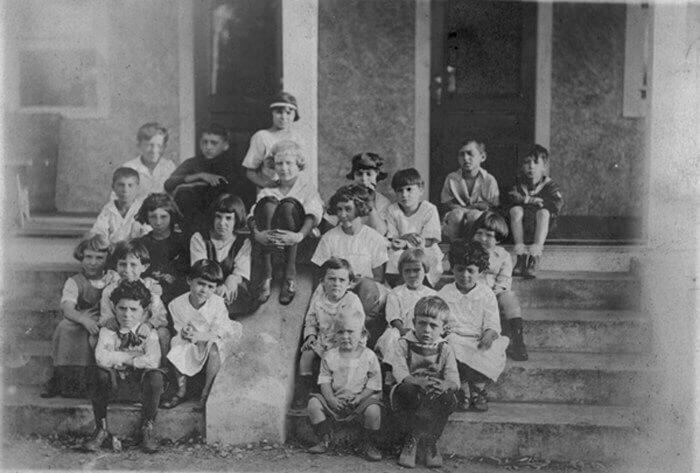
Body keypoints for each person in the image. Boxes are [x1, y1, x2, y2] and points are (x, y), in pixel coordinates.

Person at [83, 280, 164, 453]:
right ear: (114, 307)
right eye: (122, 308)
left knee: (155, 376)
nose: (127, 314)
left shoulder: (149, 333)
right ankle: (101, 428)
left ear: (144, 311)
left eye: (133, 309)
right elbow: (101, 359)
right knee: (98, 373)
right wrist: (131, 357)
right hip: (113, 386)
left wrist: (119, 357)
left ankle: (147, 427)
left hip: (140, 388)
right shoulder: (108, 331)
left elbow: (153, 361)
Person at [385, 295, 460, 469]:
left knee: (448, 397)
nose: (427, 330)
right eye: (422, 323)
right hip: (409, 388)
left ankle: (431, 441)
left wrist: (445, 385)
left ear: (443, 327)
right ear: (413, 322)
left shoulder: (445, 348)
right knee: (409, 393)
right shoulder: (404, 344)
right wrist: (418, 382)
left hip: (433, 391)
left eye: (433, 325)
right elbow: (399, 371)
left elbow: (453, 377)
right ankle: (411, 439)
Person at [41, 235, 120, 398]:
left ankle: (95, 382)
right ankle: (61, 379)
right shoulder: (74, 281)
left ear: (107, 259)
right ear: (81, 257)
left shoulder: (113, 277)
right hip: (83, 317)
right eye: (88, 257)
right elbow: (68, 308)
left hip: (108, 316)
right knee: (65, 328)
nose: (93, 262)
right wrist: (84, 320)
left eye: (99, 258)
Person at [311, 184, 389, 348]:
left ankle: (359, 342)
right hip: (336, 291)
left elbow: (379, 278)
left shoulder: (374, 238)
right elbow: (320, 276)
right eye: (339, 210)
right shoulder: (329, 238)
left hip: (364, 294)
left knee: (368, 288)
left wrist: (357, 282)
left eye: (348, 209)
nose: (343, 215)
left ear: (360, 209)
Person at [248, 140, 323, 305]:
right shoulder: (268, 189)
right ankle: (267, 276)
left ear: (298, 165)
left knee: (288, 205)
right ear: (273, 166)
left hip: (297, 242)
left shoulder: (307, 188)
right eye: (279, 163)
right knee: (267, 204)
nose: (284, 168)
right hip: (270, 241)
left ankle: (289, 278)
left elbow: (314, 214)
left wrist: (298, 236)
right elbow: (252, 215)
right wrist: (258, 234)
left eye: (289, 163)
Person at [438, 240, 509, 412]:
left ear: (481, 271)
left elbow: (492, 322)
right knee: (451, 347)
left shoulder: (486, 294)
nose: (465, 275)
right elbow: (438, 318)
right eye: (460, 269)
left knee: (489, 350)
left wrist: (489, 334)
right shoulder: (445, 292)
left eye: (471, 270)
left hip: (478, 338)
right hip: (454, 336)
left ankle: (478, 388)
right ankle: (463, 390)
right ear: (453, 268)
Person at [163, 259, 242, 412]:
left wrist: (201, 336)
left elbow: (220, 331)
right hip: (193, 339)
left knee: (214, 348)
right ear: (189, 281)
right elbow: (179, 326)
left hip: (213, 337)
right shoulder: (176, 304)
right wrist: (185, 332)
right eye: (200, 283)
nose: (203, 290)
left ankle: (206, 393)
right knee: (176, 342)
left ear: (215, 289)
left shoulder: (217, 303)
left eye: (210, 287)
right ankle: (181, 390)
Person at [306, 311, 383, 461]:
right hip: (336, 399)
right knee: (313, 404)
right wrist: (330, 399)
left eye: (350, 332)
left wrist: (360, 397)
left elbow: (374, 383)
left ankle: (368, 443)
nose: (345, 336)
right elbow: (325, 381)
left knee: (374, 411)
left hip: (359, 401)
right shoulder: (330, 356)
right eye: (340, 332)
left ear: (362, 334)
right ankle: (325, 438)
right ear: (335, 335)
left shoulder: (369, 356)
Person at [164, 123, 255, 235]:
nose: (208, 147)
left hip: (223, 223)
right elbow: (169, 184)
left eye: (214, 143)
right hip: (192, 224)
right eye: (204, 142)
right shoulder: (192, 163)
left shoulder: (234, 167)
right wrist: (200, 175)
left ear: (225, 145)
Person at [297, 258, 365, 405]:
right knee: (306, 354)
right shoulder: (319, 300)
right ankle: (304, 391)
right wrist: (310, 336)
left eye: (342, 280)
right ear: (322, 281)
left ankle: (340, 393)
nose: (336, 284)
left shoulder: (352, 301)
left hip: (345, 341)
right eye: (332, 279)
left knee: (341, 361)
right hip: (322, 341)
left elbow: (357, 326)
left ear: (350, 283)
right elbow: (311, 320)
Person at [99, 241, 170, 368]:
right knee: (97, 338)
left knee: (164, 333)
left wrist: (148, 325)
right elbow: (105, 316)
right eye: (122, 264)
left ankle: (161, 370)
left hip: (144, 333)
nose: (127, 270)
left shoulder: (150, 289)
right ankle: (109, 371)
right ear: (115, 265)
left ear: (144, 267)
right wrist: (111, 321)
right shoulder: (109, 291)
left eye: (133, 265)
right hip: (120, 331)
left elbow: (161, 316)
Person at [470, 211, 528, 361]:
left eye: (488, 235)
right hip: (472, 292)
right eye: (479, 233)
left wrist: (492, 294)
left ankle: (518, 341)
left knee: (510, 297)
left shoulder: (503, 256)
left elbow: (504, 281)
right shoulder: (468, 252)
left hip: (494, 293)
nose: (482, 239)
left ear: (498, 239)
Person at [190, 194, 255, 317]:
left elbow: (242, 270)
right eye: (218, 217)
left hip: (230, 291)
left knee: (238, 293)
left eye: (228, 218)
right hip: (205, 285)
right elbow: (199, 270)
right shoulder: (200, 238)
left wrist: (233, 278)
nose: (222, 223)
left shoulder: (243, 242)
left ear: (236, 220)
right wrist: (218, 285)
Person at [508, 145, 564, 278]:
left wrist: (542, 204)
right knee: (515, 210)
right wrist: (530, 200)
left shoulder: (550, 185)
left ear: (544, 166)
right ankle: (521, 257)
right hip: (522, 226)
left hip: (542, 227)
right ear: (522, 166)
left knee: (543, 213)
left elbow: (557, 203)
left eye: (535, 162)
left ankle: (534, 256)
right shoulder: (518, 184)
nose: (531, 166)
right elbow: (511, 196)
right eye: (527, 162)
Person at [374, 249, 437, 363]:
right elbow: (393, 317)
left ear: (425, 270)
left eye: (416, 270)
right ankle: (391, 369)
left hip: (423, 330)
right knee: (391, 337)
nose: (412, 275)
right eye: (407, 271)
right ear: (401, 272)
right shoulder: (396, 292)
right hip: (400, 329)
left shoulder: (432, 295)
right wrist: (402, 330)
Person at [384, 168, 444, 287]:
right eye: (399, 191)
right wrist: (404, 239)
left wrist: (412, 241)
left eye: (409, 189)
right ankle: (399, 282)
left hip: (424, 247)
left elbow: (430, 239)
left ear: (420, 189)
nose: (404, 195)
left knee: (428, 256)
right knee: (394, 255)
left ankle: (426, 282)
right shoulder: (392, 210)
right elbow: (392, 237)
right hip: (401, 248)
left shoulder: (429, 209)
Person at [242, 91, 305, 190]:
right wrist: (267, 184)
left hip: (294, 191)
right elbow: (250, 172)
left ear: (295, 114)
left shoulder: (297, 138)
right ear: (272, 113)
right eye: (279, 112)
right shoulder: (262, 137)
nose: (284, 117)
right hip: (270, 192)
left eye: (288, 113)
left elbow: (301, 169)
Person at [440, 139, 500, 242]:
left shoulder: (489, 180)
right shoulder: (452, 178)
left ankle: (474, 250)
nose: (466, 158)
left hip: (481, 221)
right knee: (456, 215)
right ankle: (456, 249)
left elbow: (494, 207)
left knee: (475, 215)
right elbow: (446, 204)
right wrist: (467, 209)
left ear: (482, 157)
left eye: (470, 154)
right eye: (461, 155)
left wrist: (475, 209)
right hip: (456, 219)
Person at [135, 193, 189, 305]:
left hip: (177, 297)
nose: (158, 222)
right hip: (148, 298)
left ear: (171, 216)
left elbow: (187, 276)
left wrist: (165, 289)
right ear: (146, 217)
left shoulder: (182, 242)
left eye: (163, 217)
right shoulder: (141, 243)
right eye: (153, 217)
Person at [322, 152, 391, 235]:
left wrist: (370, 204)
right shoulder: (343, 196)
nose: (364, 179)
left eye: (369, 174)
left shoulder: (382, 202)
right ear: (354, 176)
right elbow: (328, 227)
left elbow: (380, 231)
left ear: (377, 176)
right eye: (359, 174)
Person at [117, 122, 175, 200]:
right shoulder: (129, 168)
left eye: (159, 146)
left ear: (165, 147)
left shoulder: (169, 167)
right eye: (149, 145)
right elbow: (118, 201)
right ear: (139, 145)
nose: (154, 150)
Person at [91, 167, 149, 244]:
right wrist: (102, 238)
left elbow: (148, 232)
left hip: (135, 252)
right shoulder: (108, 209)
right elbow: (99, 231)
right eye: (121, 185)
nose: (125, 190)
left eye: (130, 185)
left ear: (137, 188)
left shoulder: (143, 209)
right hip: (112, 251)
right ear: (113, 187)